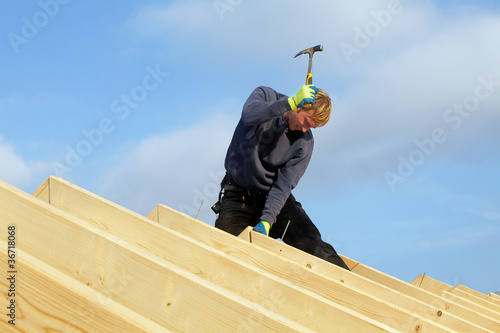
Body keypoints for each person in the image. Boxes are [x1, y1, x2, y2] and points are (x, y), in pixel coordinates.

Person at [213, 85, 349, 270]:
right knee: (222, 254)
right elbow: (250, 115)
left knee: (315, 247)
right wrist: (288, 103)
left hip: (275, 201)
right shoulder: (265, 95)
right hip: (239, 197)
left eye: (312, 127)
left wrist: (267, 220)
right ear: (301, 106)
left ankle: (350, 289)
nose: (305, 129)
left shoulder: (304, 143)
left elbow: (283, 185)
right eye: (307, 121)